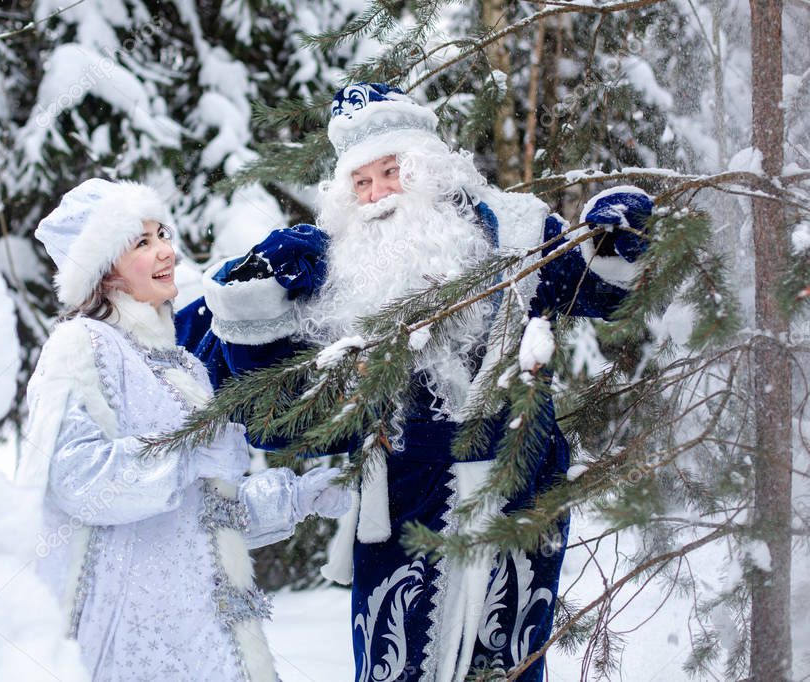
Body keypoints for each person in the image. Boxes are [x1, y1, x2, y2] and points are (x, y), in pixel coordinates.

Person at [175, 83, 654, 681]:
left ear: (427, 169)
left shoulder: (516, 233)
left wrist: (619, 234)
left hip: (519, 496)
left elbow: (606, 292)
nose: (377, 195)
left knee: (507, 665)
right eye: (362, 182)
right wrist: (259, 301)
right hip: (401, 507)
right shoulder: (339, 276)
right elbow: (278, 420)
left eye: (390, 171)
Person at [16, 178, 351, 681]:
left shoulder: (181, 368)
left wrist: (299, 497)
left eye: (162, 234)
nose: (166, 251)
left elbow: (202, 516)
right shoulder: (82, 347)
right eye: (142, 243)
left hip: (203, 637)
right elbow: (80, 482)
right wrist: (192, 455)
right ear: (103, 271)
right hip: (127, 641)